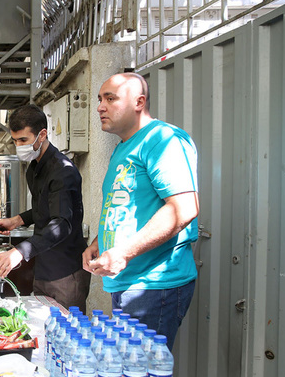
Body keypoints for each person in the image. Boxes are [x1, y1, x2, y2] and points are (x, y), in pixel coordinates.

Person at [83, 72, 199, 350]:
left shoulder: (163, 140)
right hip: (127, 281)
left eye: (110, 98)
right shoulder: (123, 147)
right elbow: (124, 204)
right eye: (100, 99)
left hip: (154, 284)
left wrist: (122, 253)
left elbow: (184, 208)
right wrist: (99, 242)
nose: (100, 106)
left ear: (139, 102)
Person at [0, 104, 90, 312]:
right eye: (15, 140)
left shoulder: (63, 171)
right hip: (42, 267)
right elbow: (43, 209)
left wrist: (19, 251)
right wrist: (17, 220)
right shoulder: (34, 168)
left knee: (64, 335)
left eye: (23, 140)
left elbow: (61, 223)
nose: (18, 146)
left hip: (65, 273)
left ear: (42, 134)